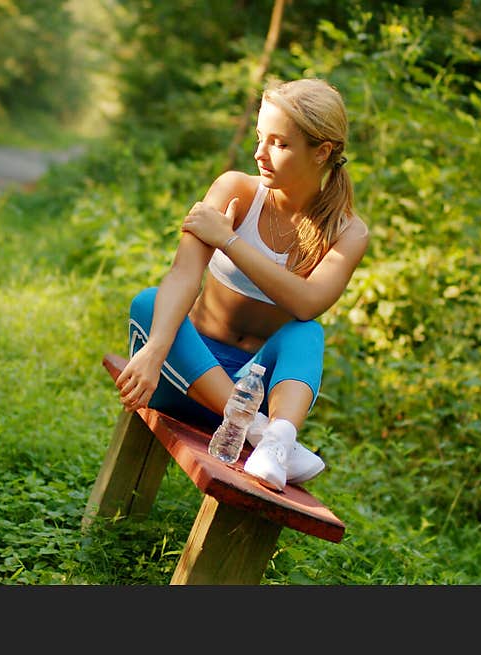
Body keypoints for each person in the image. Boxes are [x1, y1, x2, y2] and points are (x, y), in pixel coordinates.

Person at [115, 77, 369, 491]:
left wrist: (228, 241)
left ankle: (277, 436)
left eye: (279, 144)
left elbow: (306, 304)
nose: (260, 153)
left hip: (255, 384)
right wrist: (155, 350)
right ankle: (268, 435)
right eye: (259, 137)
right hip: (183, 375)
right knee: (149, 301)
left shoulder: (346, 232)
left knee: (307, 332)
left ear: (321, 152)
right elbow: (182, 275)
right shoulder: (235, 189)